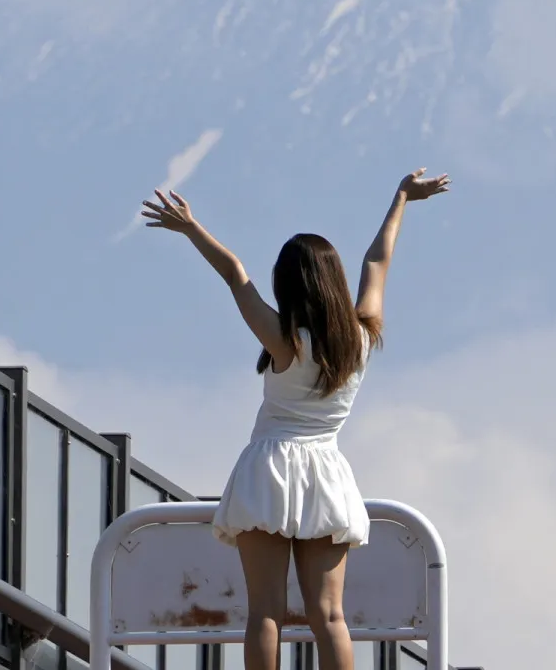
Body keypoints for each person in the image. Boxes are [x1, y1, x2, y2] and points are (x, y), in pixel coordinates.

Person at [140, 169, 452, 670]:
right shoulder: (361, 337)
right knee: (330, 615)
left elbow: (234, 274)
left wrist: (191, 228)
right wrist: (401, 198)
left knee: (265, 614)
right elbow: (377, 260)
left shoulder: (282, 338)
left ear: (287, 284)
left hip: (269, 468)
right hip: (326, 471)